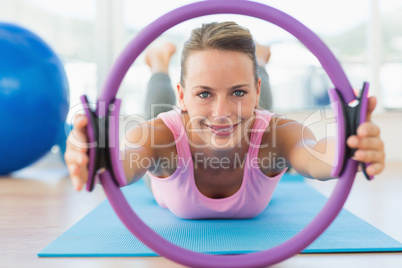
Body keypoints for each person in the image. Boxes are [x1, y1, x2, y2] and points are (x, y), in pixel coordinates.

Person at [65, 22, 385, 219]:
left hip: (257, 118)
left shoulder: (279, 135)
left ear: (255, 90)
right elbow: (122, 161)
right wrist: (95, 154)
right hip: (164, 177)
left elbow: (319, 154)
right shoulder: (158, 137)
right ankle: (158, 63)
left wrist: (351, 146)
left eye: (239, 91)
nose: (220, 110)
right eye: (203, 93)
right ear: (183, 95)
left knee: (255, 116)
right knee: (158, 114)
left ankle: (257, 65)